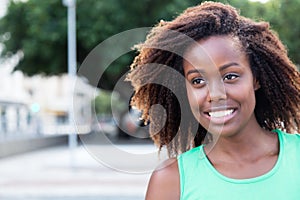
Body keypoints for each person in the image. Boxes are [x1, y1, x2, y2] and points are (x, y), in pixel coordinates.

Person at [126, 1, 300, 199]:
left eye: (230, 76)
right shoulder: (171, 180)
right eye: (198, 81)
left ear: (256, 79)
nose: (216, 94)